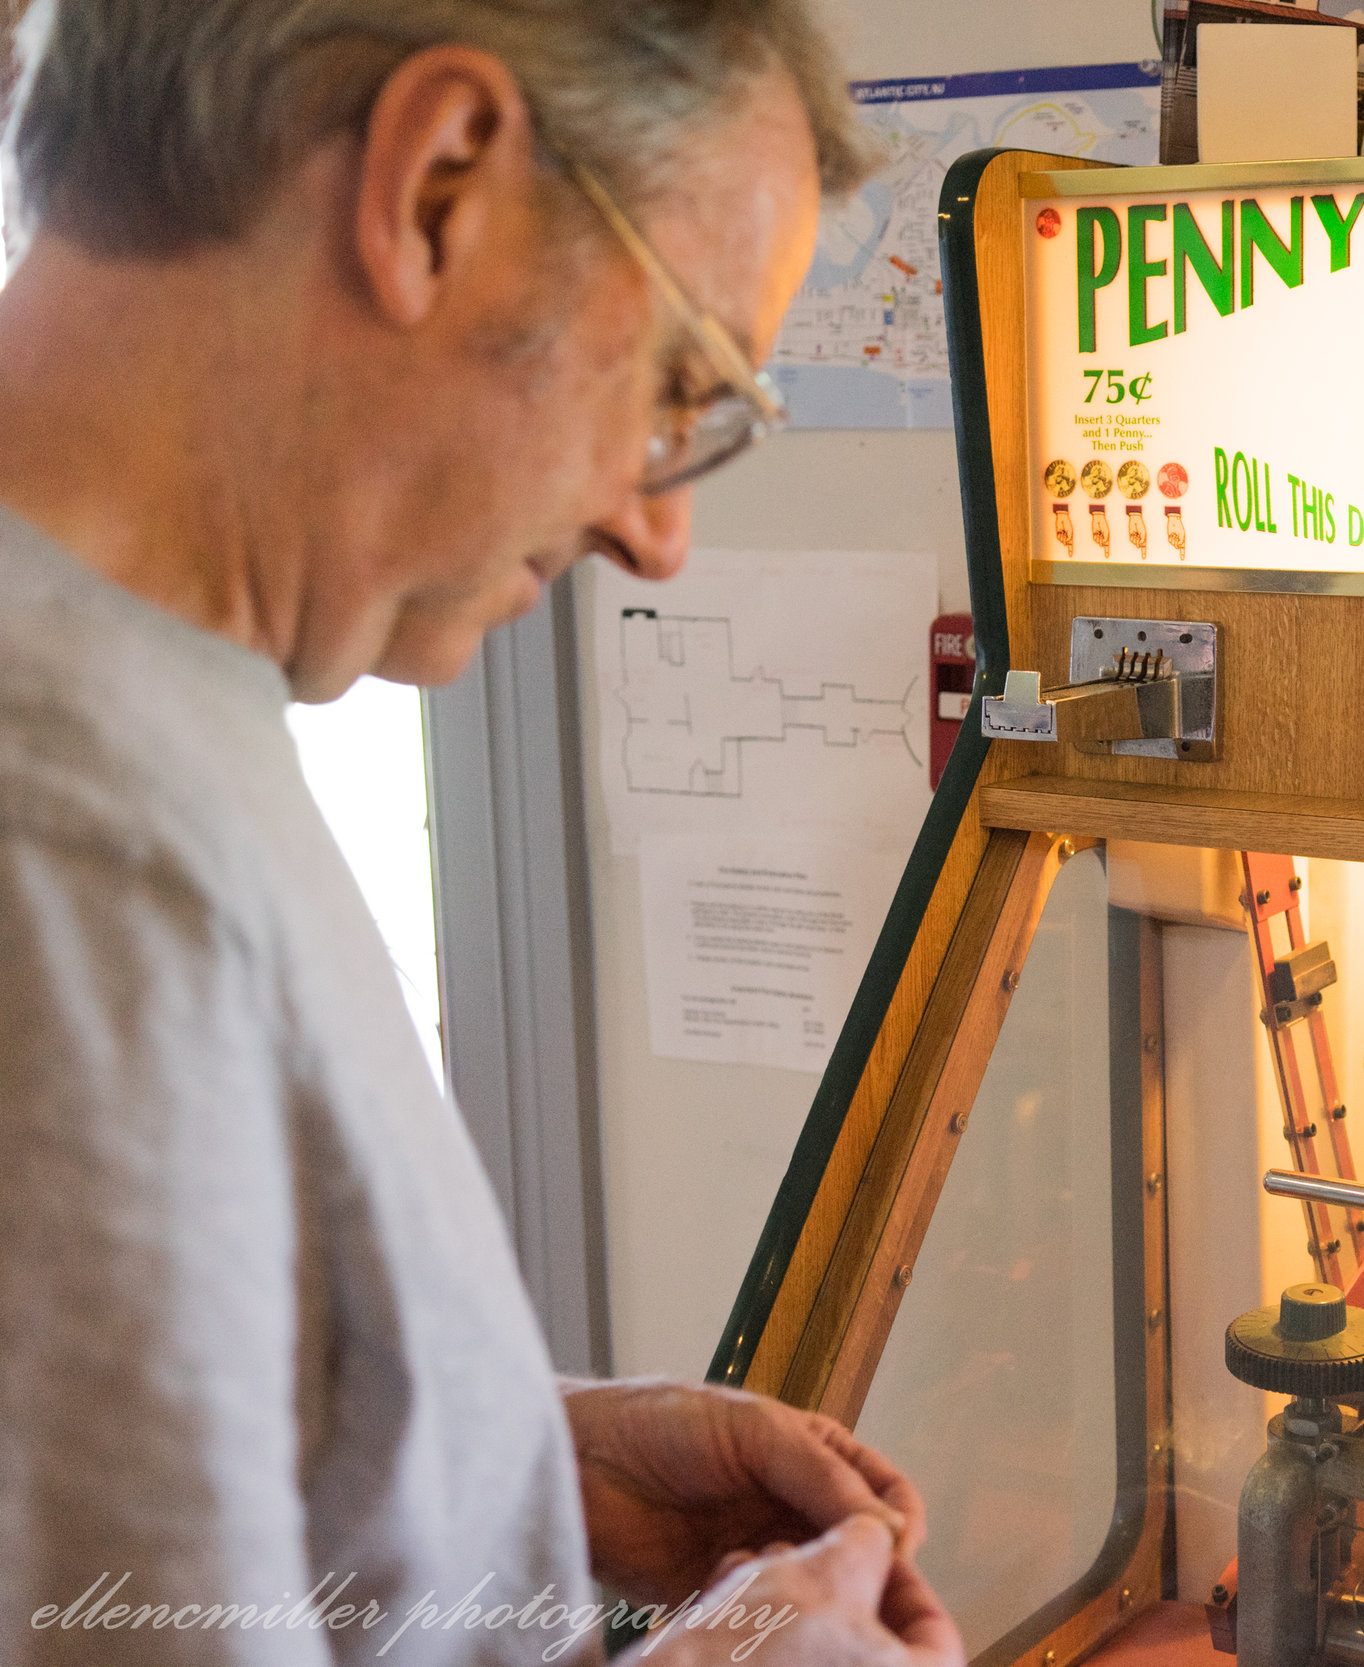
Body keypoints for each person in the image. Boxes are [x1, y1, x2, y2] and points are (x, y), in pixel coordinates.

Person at [0, 4, 960, 1664]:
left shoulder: (147, 698)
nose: (656, 530)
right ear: (438, 186)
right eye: (680, 385)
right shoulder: (70, 837)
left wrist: (519, 1454)